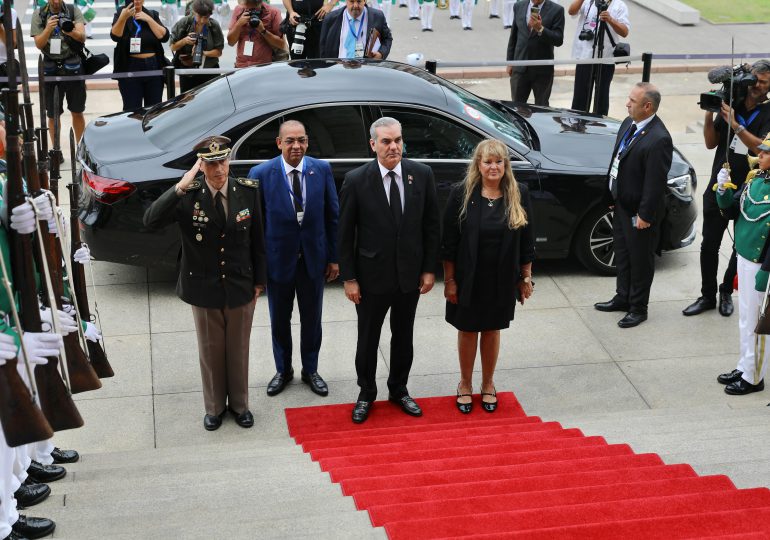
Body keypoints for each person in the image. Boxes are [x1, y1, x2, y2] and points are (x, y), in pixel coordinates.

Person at [143, 136, 267, 431]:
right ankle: (214, 408)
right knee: (211, 351)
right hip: (203, 286)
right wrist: (180, 186)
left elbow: (258, 240)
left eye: (223, 161)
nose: (219, 169)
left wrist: (260, 281)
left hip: (240, 285)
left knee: (238, 349)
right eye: (211, 164)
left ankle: (240, 405)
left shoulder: (247, 192)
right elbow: (150, 220)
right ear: (201, 166)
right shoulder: (188, 194)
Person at [337, 117, 440, 424]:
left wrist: (428, 269)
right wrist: (349, 277)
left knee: (403, 336)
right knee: (368, 338)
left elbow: (431, 226)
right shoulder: (356, 180)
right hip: (370, 278)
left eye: (397, 140)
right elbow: (344, 234)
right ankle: (366, 392)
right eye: (386, 141)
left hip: (409, 276)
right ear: (373, 145)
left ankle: (399, 389)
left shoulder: (421, 174)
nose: (394, 146)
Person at [441, 139, 535, 414]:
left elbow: (527, 241)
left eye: (499, 162)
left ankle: (488, 383)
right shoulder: (461, 193)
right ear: (478, 165)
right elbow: (449, 242)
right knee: (468, 329)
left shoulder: (519, 193)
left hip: (502, 279)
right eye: (488, 162)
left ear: (505, 165)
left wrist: (526, 278)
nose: (494, 167)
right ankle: (465, 384)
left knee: (492, 330)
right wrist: (450, 280)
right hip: (469, 278)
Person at [247, 120, 339, 398]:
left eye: (301, 140)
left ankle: (310, 370)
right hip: (278, 263)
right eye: (290, 141)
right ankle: (283, 370)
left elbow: (332, 216)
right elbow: (255, 225)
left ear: (307, 142)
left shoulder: (321, 170)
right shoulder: (261, 173)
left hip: (313, 261)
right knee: (279, 320)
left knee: (312, 320)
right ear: (279, 143)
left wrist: (334, 258)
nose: (296, 146)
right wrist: (258, 268)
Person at [683, 60, 770, 318]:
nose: (757, 85)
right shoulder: (732, 101)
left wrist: (736, 125)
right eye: (755, 79)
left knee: (738, 246)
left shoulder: (767, 112)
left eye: (764, 82)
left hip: (748, 191)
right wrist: (710, 112)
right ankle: (707, 295)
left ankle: (725, 290)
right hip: (719, 186)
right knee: (709, 243)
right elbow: (711, 143)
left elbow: (760, 149)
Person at [594, 82, 673, 328]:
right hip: (620, 205)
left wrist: (645, 215)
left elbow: (655, 182)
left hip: (640, 213)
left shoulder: (659, 139)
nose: (627, 103)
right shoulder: (629, 124)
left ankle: (638, 307)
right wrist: (610, 197)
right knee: (624, 255)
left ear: (647, 106)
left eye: (632, 101)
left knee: (640, 260)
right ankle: (623, 297)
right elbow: (617, 160)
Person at [714, 139, 770, 396]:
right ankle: (744, 365)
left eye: (765, 153)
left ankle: (754, 377)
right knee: (746, 318)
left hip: (763, 267)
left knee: (759, 325)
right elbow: (732, 211)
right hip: (746, 259)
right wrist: (723, 190)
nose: (760, 155)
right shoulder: (756, 179)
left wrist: (766, 273)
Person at [31, 0, 88, 144]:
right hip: (50, 68)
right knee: (52, 114)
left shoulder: (72, 10)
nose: (56, 1)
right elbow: (39, 44)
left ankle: (80, 148)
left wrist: (70, 31)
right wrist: (48, 29)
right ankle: (56, 151)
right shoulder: (39, 14)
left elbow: (82, 37)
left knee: (77, 111)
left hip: (73, 66)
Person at [568, 0, 629, 116]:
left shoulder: (619, 5)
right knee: (579, 99)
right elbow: (571, 11)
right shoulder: (587, 2)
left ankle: (598, 128)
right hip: (585, 58)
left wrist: (610, 20)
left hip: (606, 58)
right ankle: (577, 127)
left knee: (601, 100)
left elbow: (625, 32)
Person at [110, 0, 170, 112]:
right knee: (132, 111)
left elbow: (164, 36)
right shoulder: (121, 13)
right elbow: (115, 36)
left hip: (153, 67)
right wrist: (123, 18)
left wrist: (148, 19)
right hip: (130, 67)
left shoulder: (152, 14)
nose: (136, 1)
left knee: (154, 111)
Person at [506, 0, 564, 106]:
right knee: (516, 107)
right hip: (520, 67)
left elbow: (558, 40)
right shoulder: (519, 6)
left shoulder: (557, 10)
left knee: (541, 109)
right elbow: (513, 36)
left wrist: (540, 29)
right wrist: (510, 62)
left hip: (542, 70)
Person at [170, 0, 224, 93]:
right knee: (188, 102)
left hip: (209, 70)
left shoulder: (214, 25)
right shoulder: (184, 23)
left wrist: (203, 53)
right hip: (188, 72)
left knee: (212, 102)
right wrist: (184, 41)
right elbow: (172, 47)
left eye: (206, 17)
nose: (202, 21)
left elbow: (219, 52)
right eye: (200, 17)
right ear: (194, 12)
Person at [318, 0, 393, 60]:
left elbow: (387, 39)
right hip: (339, 71)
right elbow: (323, 48)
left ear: (365, 1)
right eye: (352, 1)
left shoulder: (377, 17)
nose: (355, 5)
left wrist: (381, 54)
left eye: (359, 1)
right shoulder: (331, 19)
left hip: (365, 71)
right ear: (346, 1)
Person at [227, 0, 283, 67]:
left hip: (263, 66)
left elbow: (281, 44)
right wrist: (239, 24)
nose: (248, 9)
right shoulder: (238, 10)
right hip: (241, 66)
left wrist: (263, 30)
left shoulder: (273, 12)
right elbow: (231, 42)